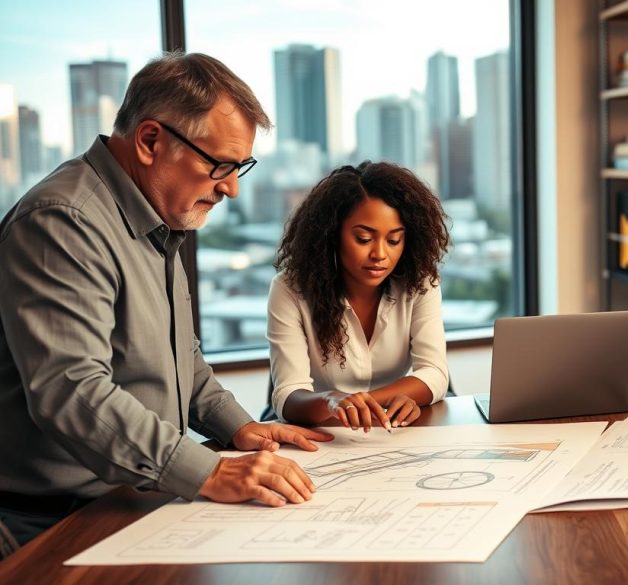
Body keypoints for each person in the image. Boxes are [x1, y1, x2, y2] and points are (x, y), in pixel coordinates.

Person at [0, 52, 334, 551]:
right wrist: (209, 470)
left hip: (132, 500)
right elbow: (71, 389)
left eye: (240, 166)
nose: (232, 188)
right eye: (219, 164)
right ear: (151, 140)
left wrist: (242, 428)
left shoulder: (156, 218)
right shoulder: (63, 221)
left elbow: (182, 360)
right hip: (53, 523)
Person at [267, 161, 450, 431]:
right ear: (332, 235)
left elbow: (434, 372)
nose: (380, 254)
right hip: (322, 434)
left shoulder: (420, 283)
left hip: (392, 433)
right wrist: (332, 401)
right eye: (364, 239)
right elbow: (289, 396)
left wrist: (367, 403)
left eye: (394, 240)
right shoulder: (290, 290)